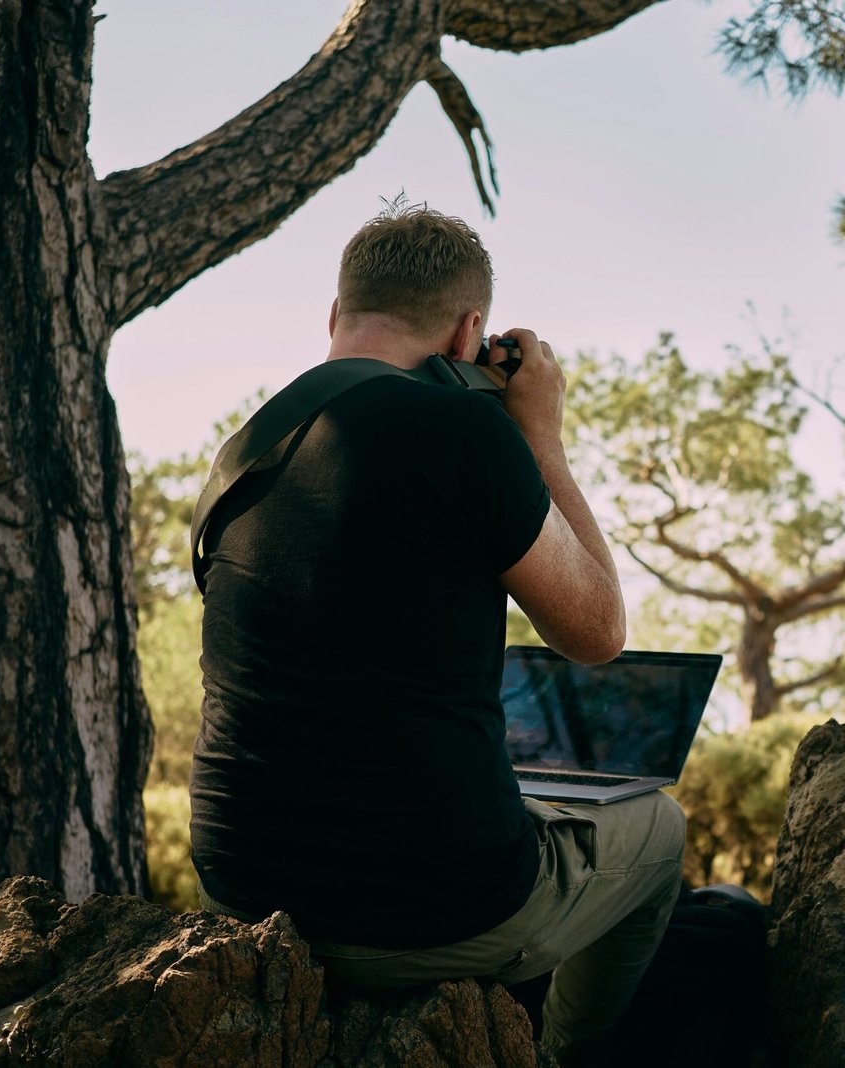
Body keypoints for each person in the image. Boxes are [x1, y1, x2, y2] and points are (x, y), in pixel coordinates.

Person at [189, 203, 686, 1064]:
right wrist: (543, 439)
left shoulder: (241, 453)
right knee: (661, 827)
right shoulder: (466, 434)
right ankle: (565, 1057)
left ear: (336, 317)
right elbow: (598, 631)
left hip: (246, 890)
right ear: (469, 336)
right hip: (428, 914)